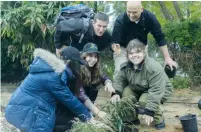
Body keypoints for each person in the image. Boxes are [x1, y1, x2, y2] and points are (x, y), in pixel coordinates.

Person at [5, 47, 94, 132]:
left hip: (23, 108)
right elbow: (70, 100)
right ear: (69, 62)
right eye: (77, 64)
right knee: (70, 122)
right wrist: (89, 118)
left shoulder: (50, 69)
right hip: (27, 112)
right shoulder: (53, 76)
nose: (78, 68)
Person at [110, 39, 173, 130]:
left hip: (161, 89)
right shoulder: (125, 66)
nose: (134, 55)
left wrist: (150, 110)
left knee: (144, 101)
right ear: (127, 55)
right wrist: (115, 93)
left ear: (144, 52)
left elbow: (156, 90)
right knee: (126, 94)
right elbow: (119, 80)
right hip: (140, 87)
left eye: (138, 52)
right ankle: (132, 119)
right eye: (131, 53)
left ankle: (159, 120)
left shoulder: (152, 67)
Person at [111, 1, 177, 78]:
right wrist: (119, 51)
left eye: (134, 12)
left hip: (141, 47)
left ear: (141, 9)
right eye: (129, 11)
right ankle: (119, 89)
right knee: (121, 70)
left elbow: (160, 38)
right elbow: (114, 42)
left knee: (146, 71)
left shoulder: (150, 18)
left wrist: (167, 58)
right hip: (123, 48)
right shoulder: (120, 20)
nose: (131, 15)